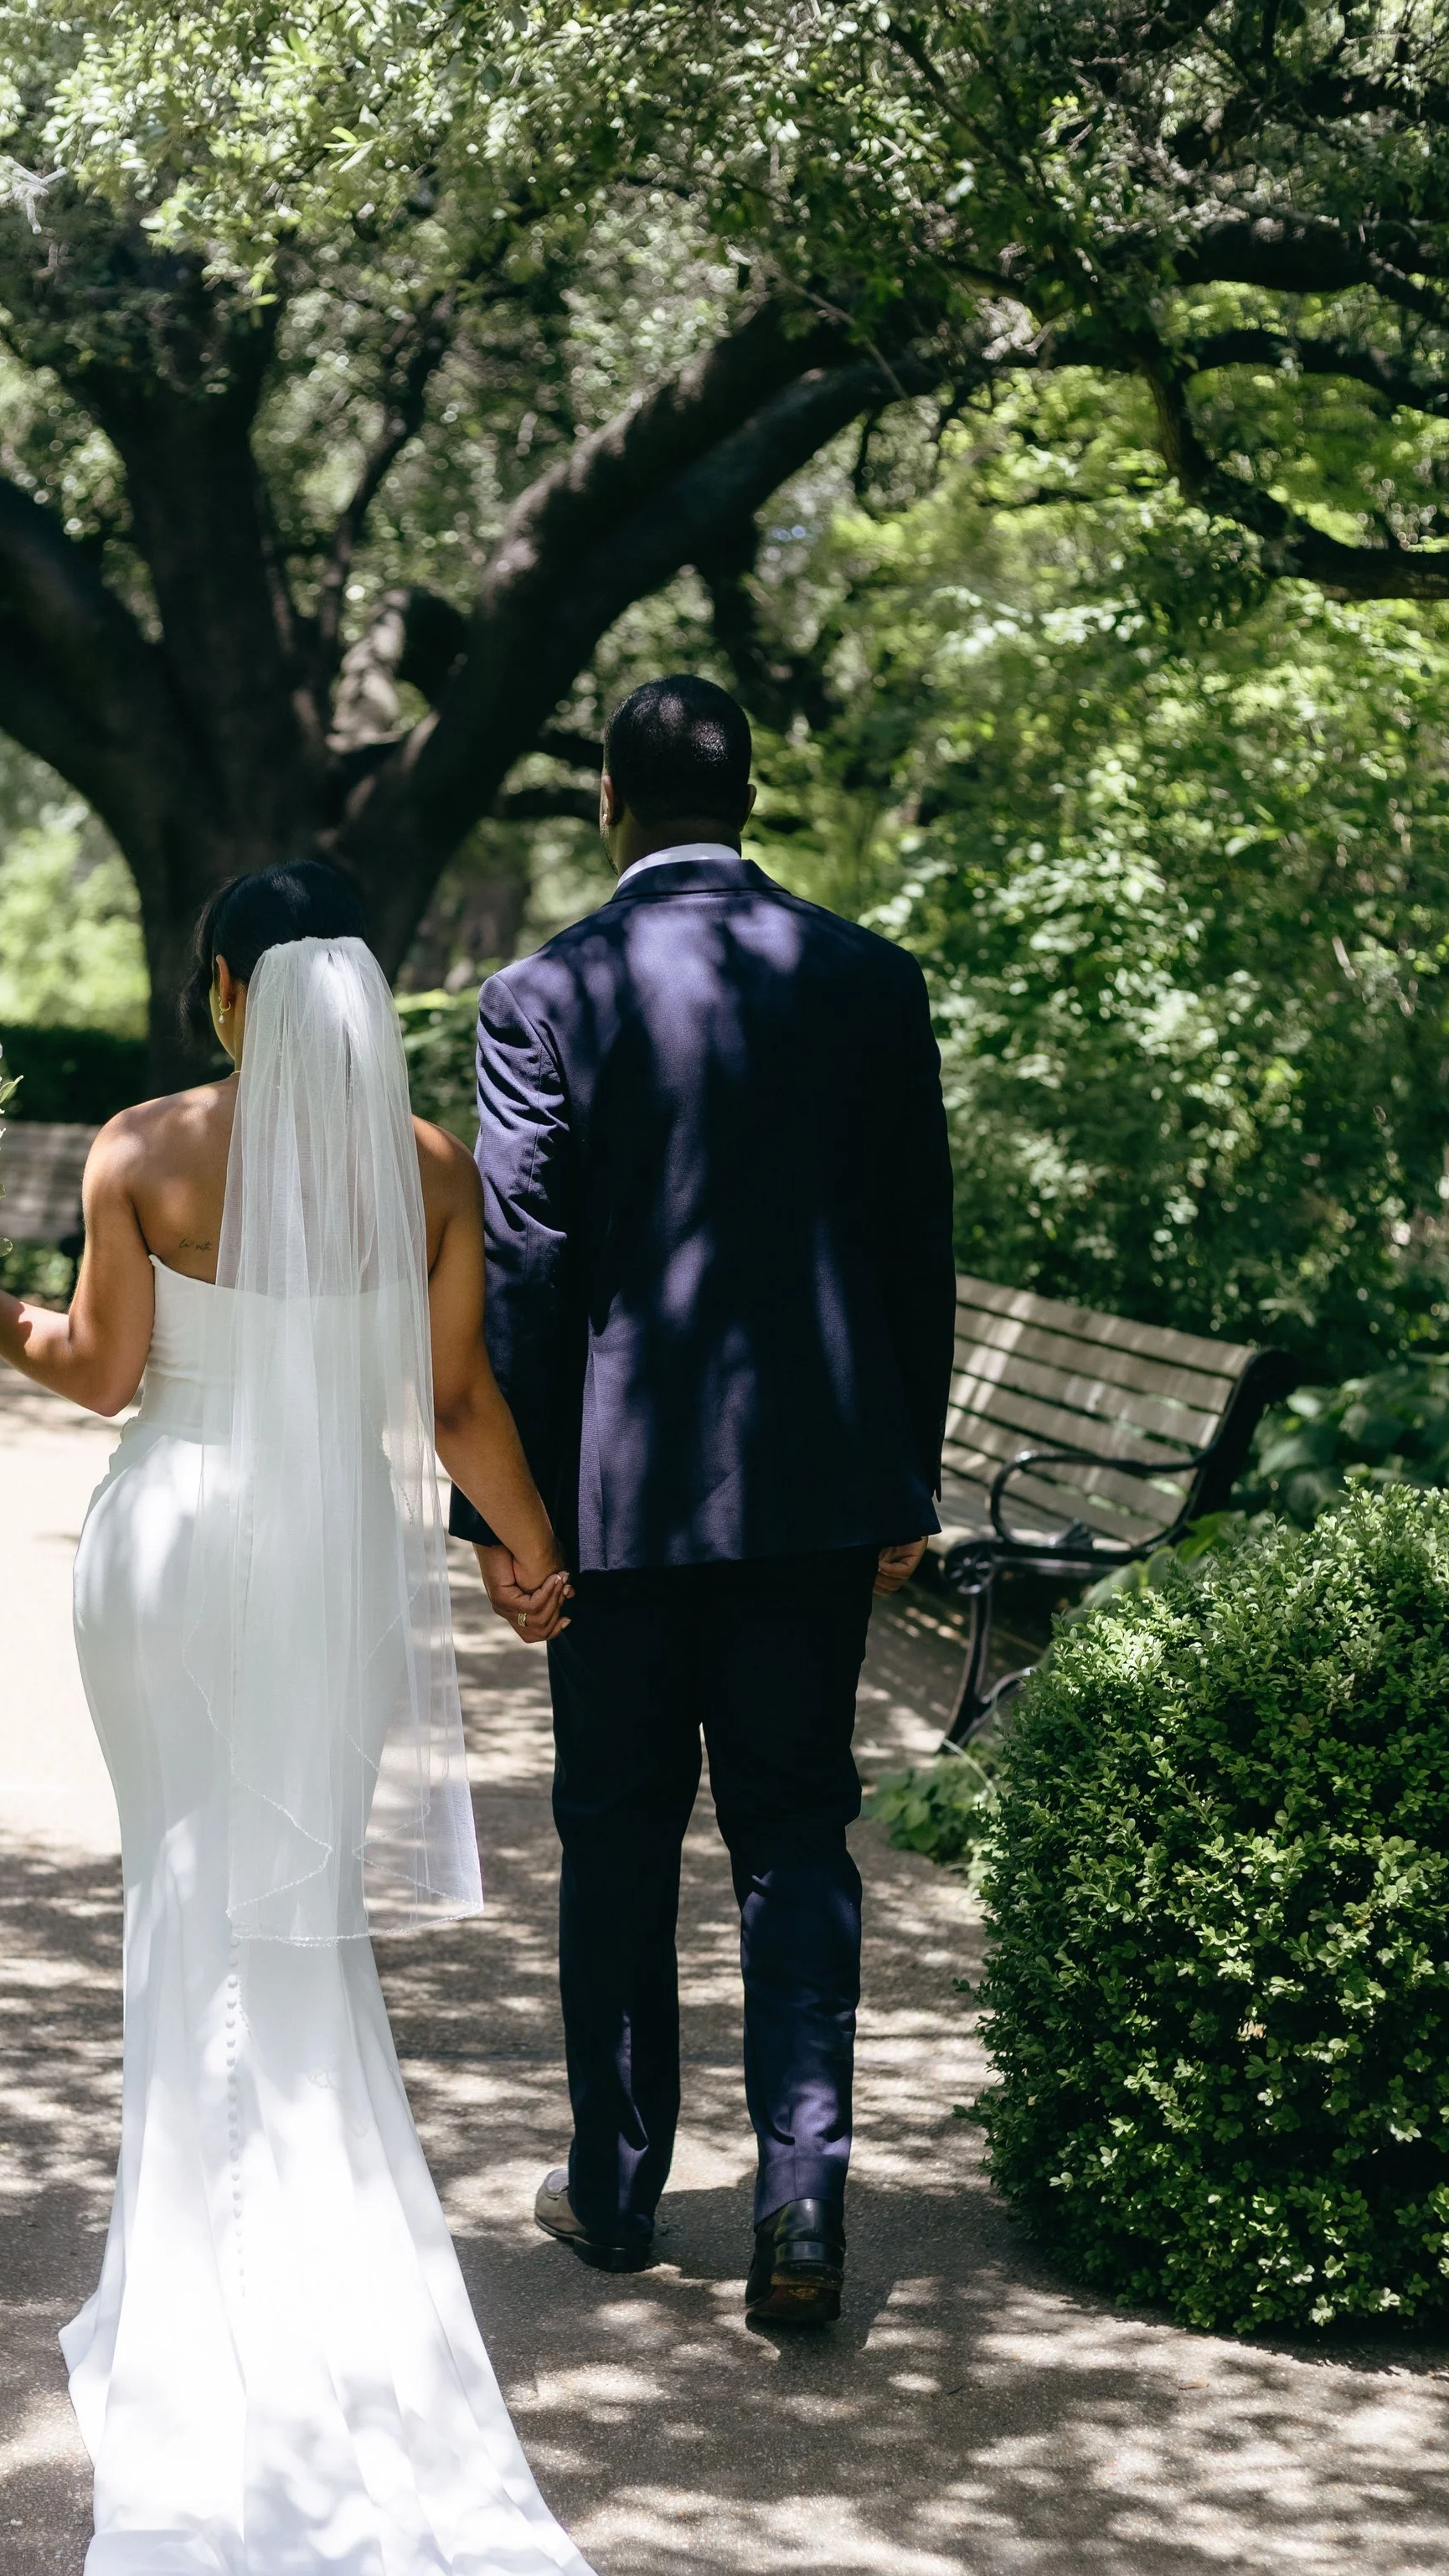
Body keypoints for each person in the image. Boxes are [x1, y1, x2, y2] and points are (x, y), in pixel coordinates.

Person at [0, 860, 607, 2576]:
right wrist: (524, 1553)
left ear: (225, 990)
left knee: (183, 1898)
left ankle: (192, 2291)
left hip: (164, 1553)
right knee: (286, 1925)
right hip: (320, 1562)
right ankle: (285, 2275)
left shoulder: (143, 1149)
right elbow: (460, 1408)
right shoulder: (431, 1171)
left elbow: (94, 1375)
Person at [450, 676, 956, 2328]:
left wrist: (506, 1521)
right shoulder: (871, 987)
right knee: (794, 1836)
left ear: (606, 796)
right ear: (747, 799)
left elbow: (523, 1269)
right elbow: (909, 1254)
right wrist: (903, 1475)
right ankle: (799, 2210)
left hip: (609, 1510)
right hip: (813, 1495)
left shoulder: (541, 996)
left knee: (612, 1838)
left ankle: (613, 2189)